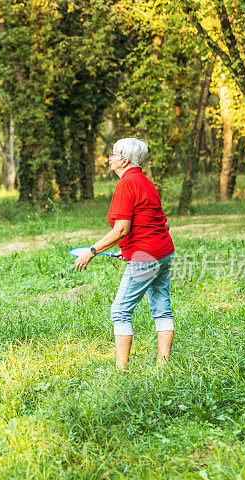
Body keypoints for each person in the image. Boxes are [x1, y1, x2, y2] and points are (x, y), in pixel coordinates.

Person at [74, 138, 175, 371]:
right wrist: (128, 248)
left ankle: (121, 371)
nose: (109, 157)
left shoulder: (126, 184)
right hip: (163, 253)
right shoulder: (146, 183)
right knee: (162, 307)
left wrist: (91, 251)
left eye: (113, 153)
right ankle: (163, 366)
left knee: (119, 311)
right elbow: (162, 224)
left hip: (146, 257)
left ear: (124, 160)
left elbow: (121, 229)